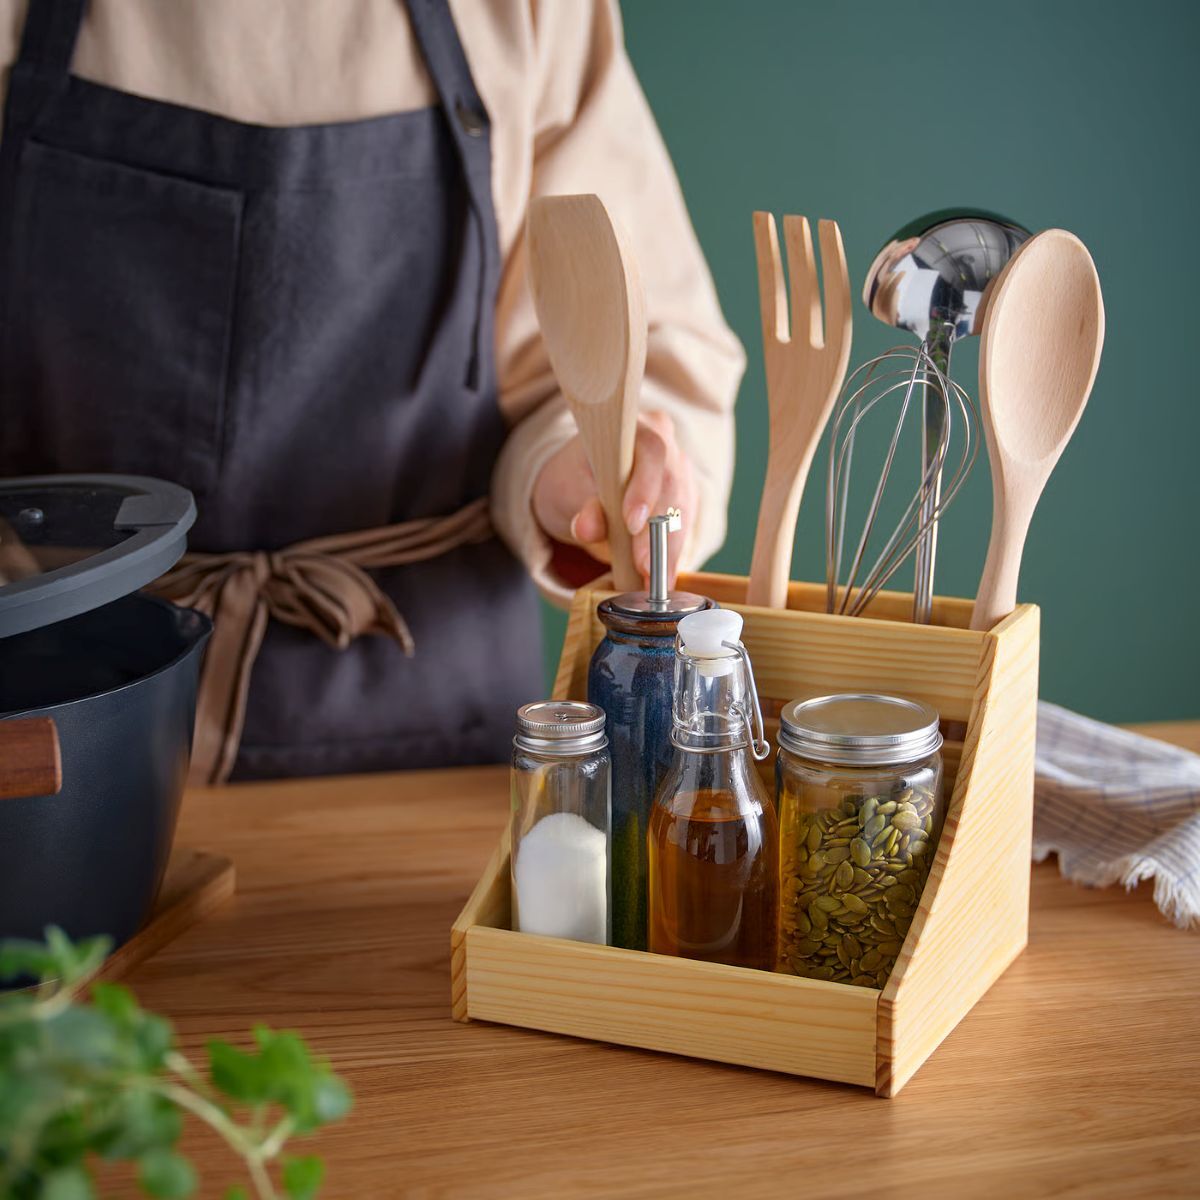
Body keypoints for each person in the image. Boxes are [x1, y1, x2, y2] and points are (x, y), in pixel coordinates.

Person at [0, 0, 744, 782]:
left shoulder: (523, 15)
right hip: (55, 713)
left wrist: (584, 471)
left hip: (437, 736)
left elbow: (636, 347)